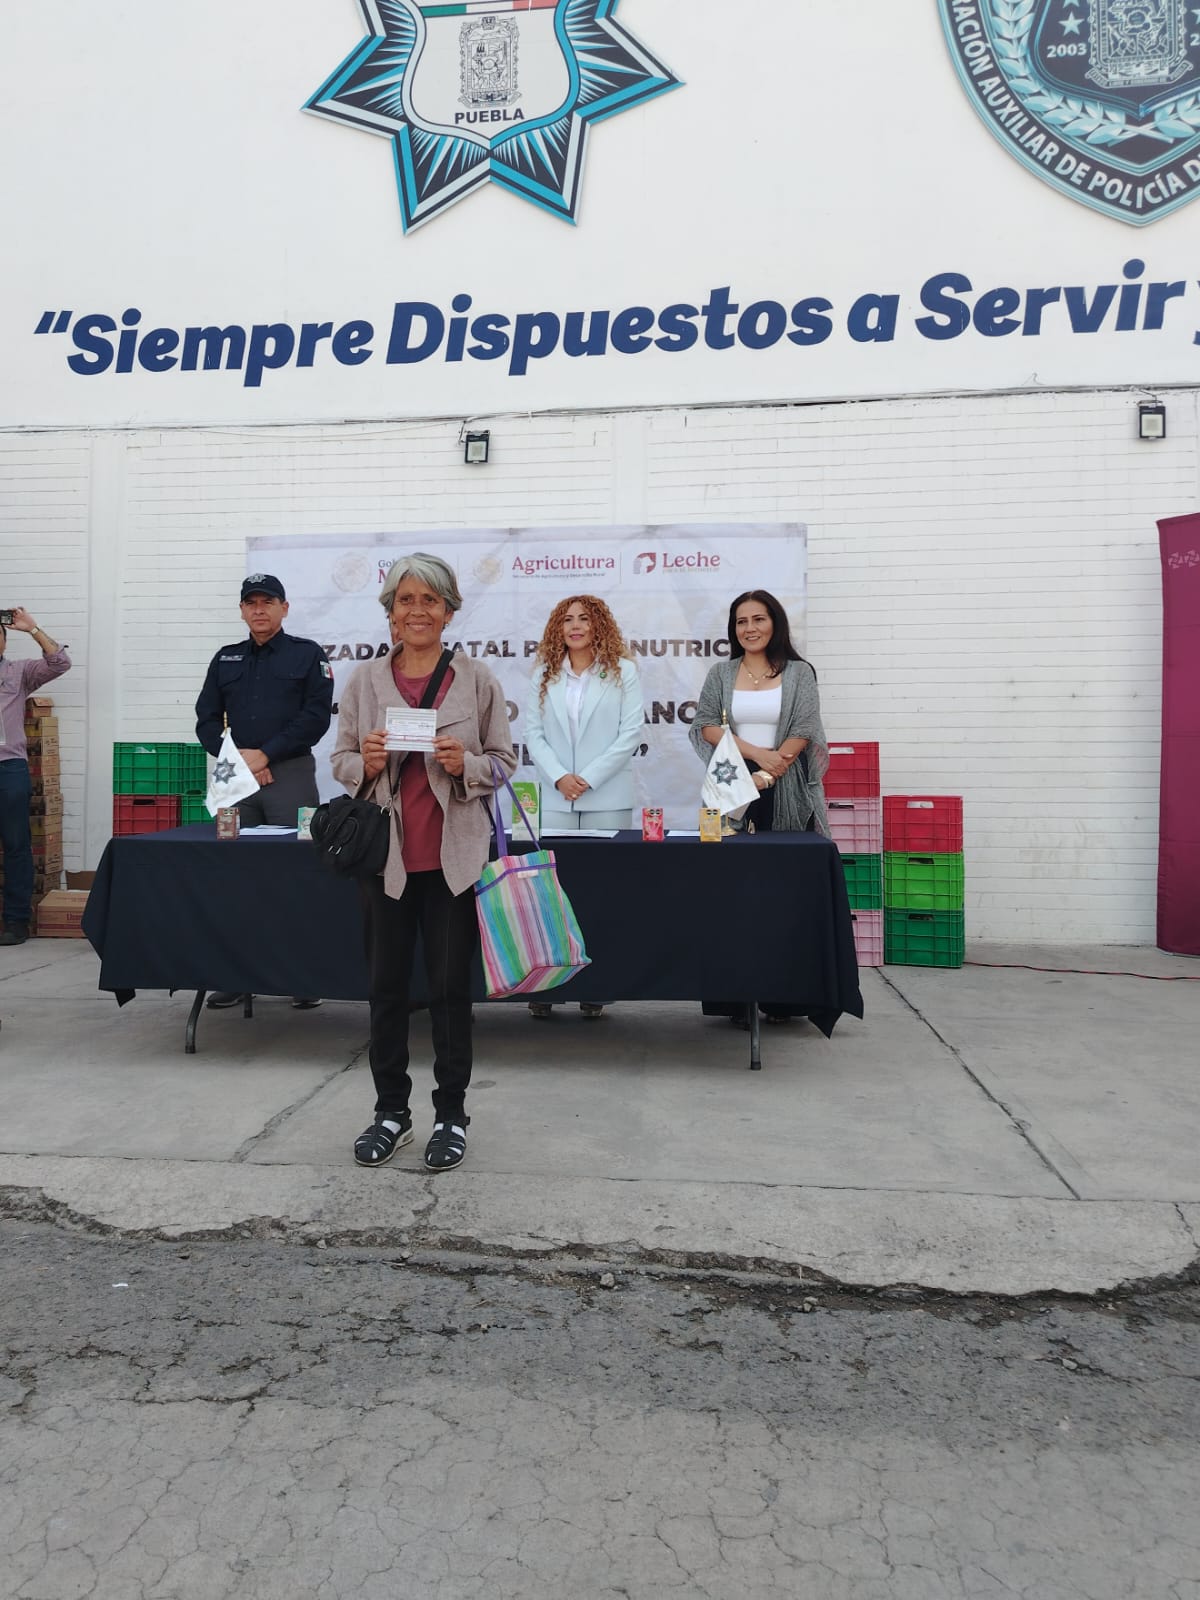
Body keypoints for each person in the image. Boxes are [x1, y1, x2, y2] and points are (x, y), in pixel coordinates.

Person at [331, 553, 516, 1173]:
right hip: (384, 863)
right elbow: (340, 760)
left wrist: (468, 765)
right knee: (386, 990)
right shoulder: (364, 682)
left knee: (448, 992)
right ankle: (391, 1112)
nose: (417, 611)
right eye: (405, 600)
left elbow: (504, 762)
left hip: (452, 862)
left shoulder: (476, 679)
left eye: (430, 600)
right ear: (390, 612)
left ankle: (451, 1116)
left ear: (449, 611)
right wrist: (365, 764)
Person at [690, 589, 830, 1025]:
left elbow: (804, 728)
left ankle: (784, 1001)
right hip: (731, 787)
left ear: (775, 623)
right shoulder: (721, 672)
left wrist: (769, 772)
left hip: (787, 790)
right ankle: (733, 1000)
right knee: (730, 898)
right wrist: (754, 756)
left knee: (783, 899)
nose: (749, 628)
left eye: (758, 619)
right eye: (741, 621)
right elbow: (706, 725)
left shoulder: (800, 672)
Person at [195, 573, 333, 1008]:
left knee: (299, 872)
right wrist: (241, 761)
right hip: (234, 781)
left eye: (268, 602)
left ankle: (302, 977)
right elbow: (205, 719)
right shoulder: (226, 658)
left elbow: (316, 717)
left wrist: (266, 756)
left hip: (291, 776)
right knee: (233, 875)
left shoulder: (307, 655)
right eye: (251, 602)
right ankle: (238, 976)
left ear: (284, 608)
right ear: (241, 610)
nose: (259, 609)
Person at [523, 595, 644, 1019]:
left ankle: (597, 987)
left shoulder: (624, 671)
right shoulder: (544, 673)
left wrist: (588, 777)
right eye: (567, 620)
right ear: (558, 628)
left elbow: (630, 733)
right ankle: (546, 987)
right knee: (552, 896)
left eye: (584, 619)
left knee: (602, 893)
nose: (575, 626)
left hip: (607, 797)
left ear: (598, 626)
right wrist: (560, 776)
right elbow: (533, 734)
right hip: (555, 798)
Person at [0, 609, 72, 947]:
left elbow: (59, 663)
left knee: (16, 845)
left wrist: (33, 629)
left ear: (4, 641)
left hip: (8, 768)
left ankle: (16, 921)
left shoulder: (18, 672)